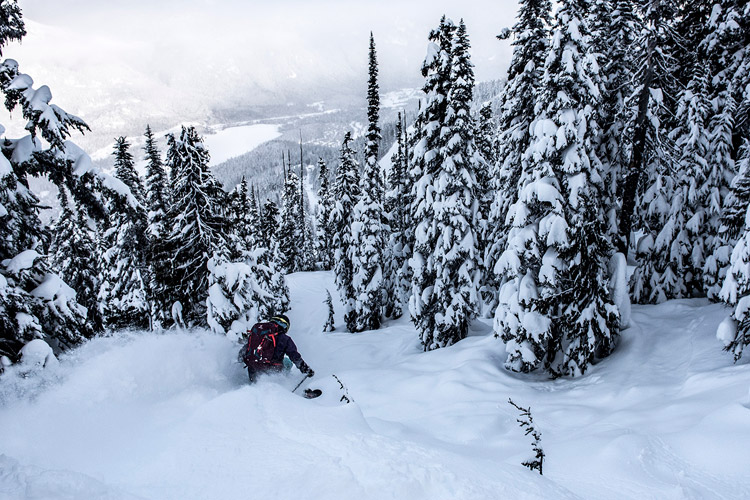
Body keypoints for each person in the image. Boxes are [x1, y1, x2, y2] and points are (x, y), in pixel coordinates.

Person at [240, 314, 315, 383]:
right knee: (287, 362)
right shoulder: (284, 339)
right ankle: (284, 387)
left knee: (255, 380)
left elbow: (246, 348)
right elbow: (294, 356)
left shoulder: (259, 333)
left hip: (253, 367)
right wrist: (305, 369)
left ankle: (253, 390)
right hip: (271, 369)